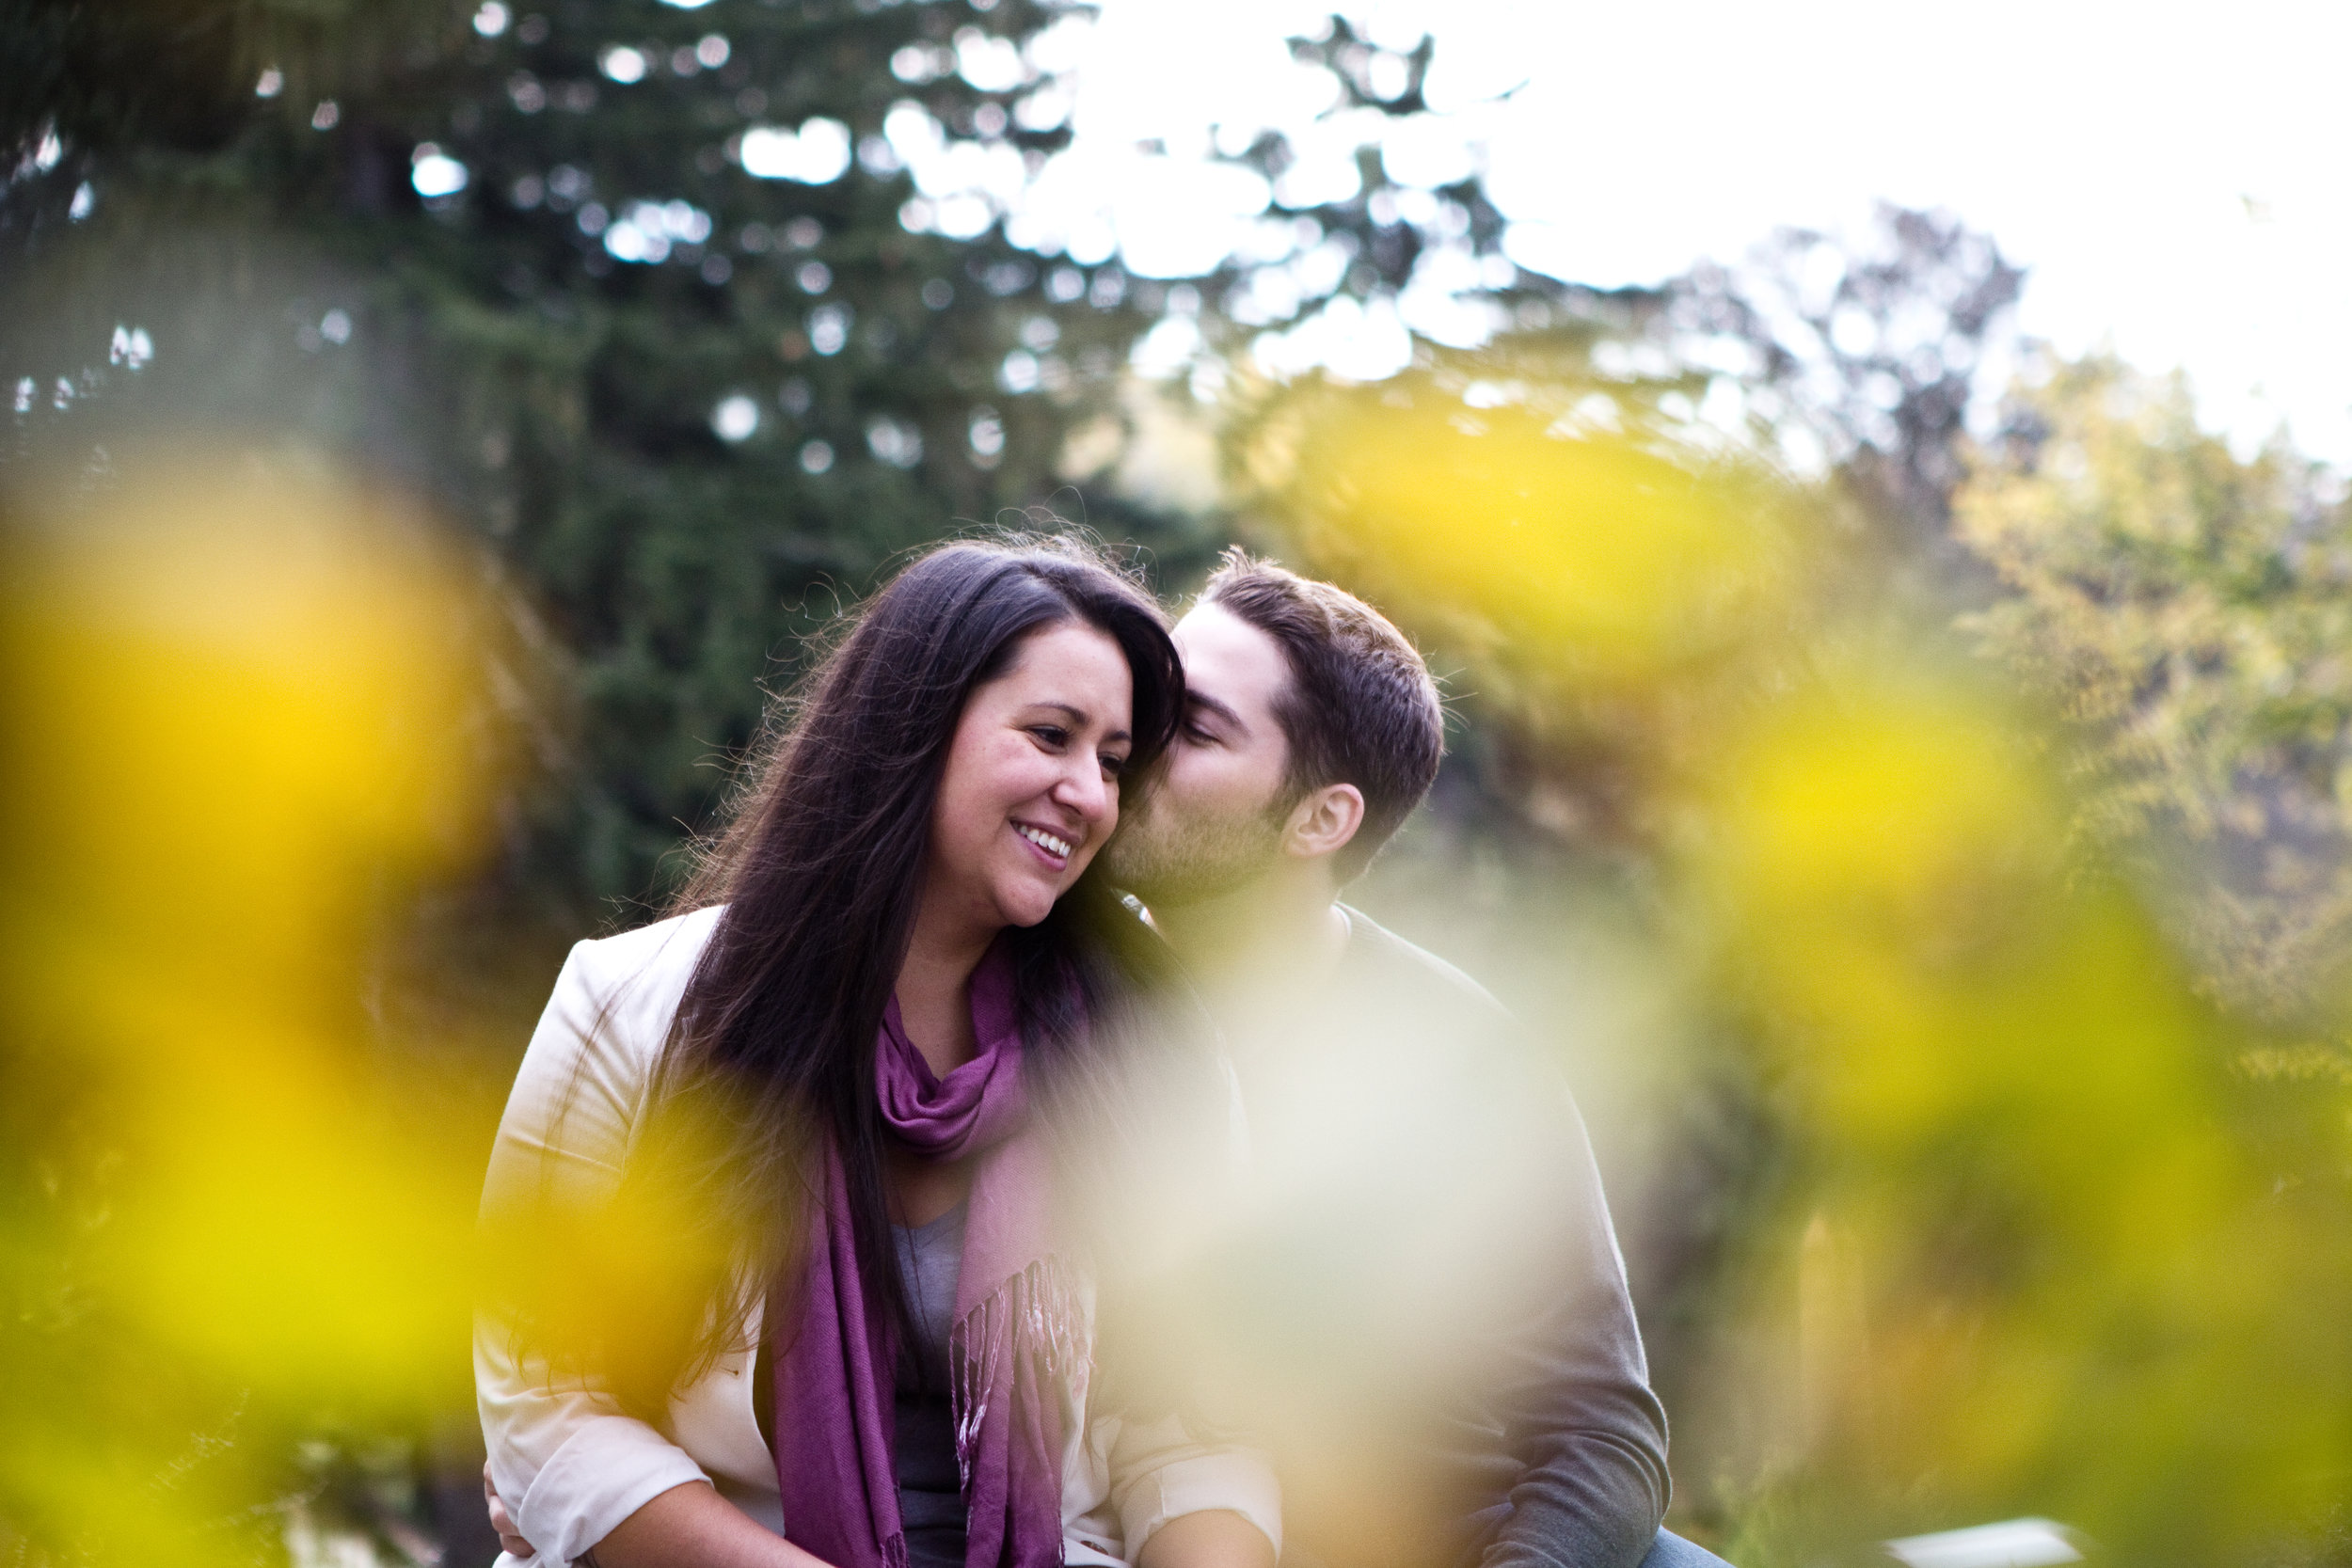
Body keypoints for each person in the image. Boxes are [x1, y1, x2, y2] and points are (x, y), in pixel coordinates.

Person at [475, 539, 1282, 1568]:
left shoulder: (1151, 1050)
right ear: (913, 728)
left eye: (1113, 762)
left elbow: (1200, 1429)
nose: (1086, 792)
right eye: (1050, 735)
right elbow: (547, 1398)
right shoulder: (633, 1003)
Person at [1094, 550, 1732, 1568]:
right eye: (1151, 698)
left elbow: (1603, 1426)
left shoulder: (1460, 1059)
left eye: (1199, 726)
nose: (1131, 746)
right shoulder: (1043, 993)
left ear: (1320, 818)